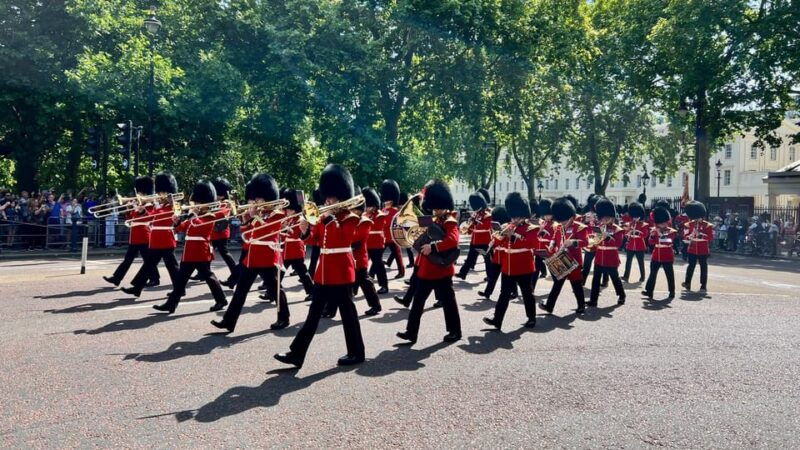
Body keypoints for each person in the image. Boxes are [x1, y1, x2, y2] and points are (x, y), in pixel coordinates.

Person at [274, 164, 365, 367]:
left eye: (331, 198)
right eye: (327, 197)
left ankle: (357, 352)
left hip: (341, 271)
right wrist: (304, 230)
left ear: (341, 197)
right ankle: (296, 354)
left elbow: (343, 239)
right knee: (313, 315)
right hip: (323, 273)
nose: (327, 201)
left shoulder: (350, 218)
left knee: (348, 316)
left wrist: (331, 219)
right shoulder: (325, 218)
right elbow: (314, 240)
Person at [212, 173, 289, 331]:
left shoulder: (278, 214)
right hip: (253, 257)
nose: (257, 201)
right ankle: (228, 321)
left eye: (259, 199)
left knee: (275, 290)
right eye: (256, 199)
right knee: (240, 291)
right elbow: (245, 230)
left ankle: (284, 317)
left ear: (268, 198)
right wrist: (246, 217)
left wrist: (255, 216)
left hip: (267, 257)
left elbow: (268, 230)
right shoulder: (260, 213)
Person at [395, 179, 462, 344]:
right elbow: (415, 224)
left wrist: (433, 247)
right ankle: (411, 333)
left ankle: (455, 331)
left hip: (441, 270)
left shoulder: (449, 221)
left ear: (445, 205)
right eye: (434, 207)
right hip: (426, 269)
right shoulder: (433, 219)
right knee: (417, 302)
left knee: (448, 303)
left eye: (438, 208)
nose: (436, 210)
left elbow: (452, 241)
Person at [153, 180, 229, 314]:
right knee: (180, 280)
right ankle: (171, 304)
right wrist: (176, 222)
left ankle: (221, 299)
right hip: (189, 251)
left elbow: (199, 227)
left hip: (200, 251)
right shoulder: (196, 215)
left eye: (199, 202)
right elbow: (182, 228)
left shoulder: (211, 216)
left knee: (209, 277)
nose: (196, 205)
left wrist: (193, 215)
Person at [482, 192, 540, 330]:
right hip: (508, 267)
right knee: (504, 294)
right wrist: (496, 237)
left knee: (527, 294)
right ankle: (497, 319)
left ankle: (531, 318)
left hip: (524, 266)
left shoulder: (531, 228)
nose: (514, 219)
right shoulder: (508, 226)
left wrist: (513, 235)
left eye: (517, 217)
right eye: (513, 216)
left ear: (523, 215)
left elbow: (532, 244)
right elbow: (499, 242)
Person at [122, 172, 181, 297]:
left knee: (172, 267)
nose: (159, 194)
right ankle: (137, 288)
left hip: (165, 238)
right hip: (157, 239)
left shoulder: (174, 205)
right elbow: (151, 218)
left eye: (161, 192)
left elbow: (161, 217)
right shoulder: (161, 205)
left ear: (167, 191)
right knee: (149, 265)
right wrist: (142, 210)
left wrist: (147, 209)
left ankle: (179, 289)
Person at [103, 177, 160, 287]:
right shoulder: (138, 205)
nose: (138, 195)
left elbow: (149, 218)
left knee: (148, 260)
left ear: (145, 193)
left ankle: (155, 278)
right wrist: (129, 209)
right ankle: (116, 278)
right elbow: (130, 218)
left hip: (144, 235)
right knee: (127, 260)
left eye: (140, 193)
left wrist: (140, 209)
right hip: (134, 236)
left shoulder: (150, 205)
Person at [539, 197, 589, 314]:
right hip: (561, 259)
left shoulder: (579, 227)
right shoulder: (559, 227)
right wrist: (552, 244)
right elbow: (554, 238)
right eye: (560, 220)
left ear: (571, 217)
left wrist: (573, 242)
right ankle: (549, 306)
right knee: (557, 283)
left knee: (576, 284)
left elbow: (586, 242)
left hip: (574, 261)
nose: (562, 223)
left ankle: (581, 305)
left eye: (564, 221)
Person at [346, 188, 381, 316]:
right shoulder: (350, 220)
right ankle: (330, 308)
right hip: (349, 257)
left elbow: (355, 239)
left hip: (359, 258)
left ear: (358, 210)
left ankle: (375, 305)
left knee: (365, 283)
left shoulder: (365, 222)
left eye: (353, 209)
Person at [588, 199, 626, 307]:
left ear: (612, 217)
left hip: (611, 258)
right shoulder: (599, 228)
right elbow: (595, 242)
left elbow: (618, 243)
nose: (603, 220)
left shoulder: (617, 229)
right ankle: (593, 300)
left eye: (606, 218)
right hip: (600, 257)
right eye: (602, 218)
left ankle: (622, 295)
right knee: (595, 279)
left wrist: (608, 237)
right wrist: (592, 239)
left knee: (615, 279)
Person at [278, 188, 314, 301]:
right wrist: (283, 229)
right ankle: (272, 292)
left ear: (294, 209)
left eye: (289, 210)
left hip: (296, 251)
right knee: (279, 273)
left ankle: (312, 292)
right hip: (287, 251)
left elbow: (297, 234)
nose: (287, 211)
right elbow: (284, 236)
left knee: (303, 274)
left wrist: (286, 229)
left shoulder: (299, 219)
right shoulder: (289, 219)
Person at [456, 192, 493, 280]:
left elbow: (486, 226)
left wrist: (475, 222)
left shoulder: (487, 215)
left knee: (487, 259)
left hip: (484, 241)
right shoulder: (476, 214)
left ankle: (490, 276)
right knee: (470, 258)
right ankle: (462, 273)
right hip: (475, 240)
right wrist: (469, 228)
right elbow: (473, 227)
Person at [642, 207, 677, 299]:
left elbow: (669, 241)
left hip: (667, 255)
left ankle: (672, 291)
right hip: (656, 255)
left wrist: (660, 234)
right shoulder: (654, 230)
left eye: (663, 223)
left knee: (669, 275)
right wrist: (653, 236)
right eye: (660, 223)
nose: (662, 224)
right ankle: (649, 291)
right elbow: (650, 242)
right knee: (652, 274)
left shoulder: (671, 231)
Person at [477, 205, 510, 299]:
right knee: (493, 276)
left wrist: (499, 236)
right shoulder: (499, 227)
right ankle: (487, 292)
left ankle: (514, 292)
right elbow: (495, 241)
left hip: (505, 255)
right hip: (497, 255)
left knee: (507, 276)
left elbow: (504, 241)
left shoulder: (508, 227)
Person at [682, 201, 713, 292]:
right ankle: (687, 283)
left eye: (698, 217)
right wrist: (689, 237)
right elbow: (685, 235)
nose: (696, 219)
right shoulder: (688, 224)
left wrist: (701, 235)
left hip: (703, 249)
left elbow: (710, 237)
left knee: (703, 267)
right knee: (690, 266)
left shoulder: (707, 225)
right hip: (692, 248)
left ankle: (703, 285)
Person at [365, 187, 390, 294]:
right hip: (367, 244)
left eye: (369, 205)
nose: (367, 207)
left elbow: (375, 226)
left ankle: (384, 285)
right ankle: (354, 287)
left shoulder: (380, 215)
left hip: (377, 244)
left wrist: (368, 217)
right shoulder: (367, 214)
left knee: (379, 266)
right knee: (361, 267)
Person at [379, 179, 405, 278]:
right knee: (378, 256)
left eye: (388, 200)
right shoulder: (383, 210)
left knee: (398, 256)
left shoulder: (395, 211)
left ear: (392, 200)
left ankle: (401, 272)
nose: (386, 202)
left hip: (393, 237)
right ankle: (372, 273)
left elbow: (393, 223)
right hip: (384, 237)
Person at [622, 202, 648, 282]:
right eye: (634, 217)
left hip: (640, 246)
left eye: (636, 217)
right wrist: (628, 232)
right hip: (630, 245)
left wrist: (637, 233)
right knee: (628, 262)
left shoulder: (644, 224)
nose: (635, 218)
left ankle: (642, 276)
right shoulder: (630, 224)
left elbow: (645, 235)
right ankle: (626, 276)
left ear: (640, 216)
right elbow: (626, 234)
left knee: (641, 262)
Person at [534, 199, 552, 279]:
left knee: (553, 271)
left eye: (548, 215)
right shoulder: (542, 223)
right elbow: (537, 236)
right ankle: (532, 289)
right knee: (535, 270)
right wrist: (540, 231)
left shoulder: (555, 225)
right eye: (545, 215)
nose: (546, 217)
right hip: (540, 250)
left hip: (549, 250)